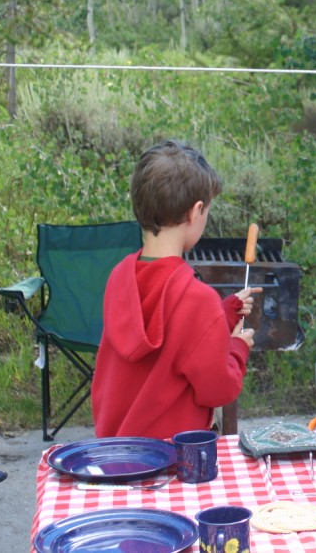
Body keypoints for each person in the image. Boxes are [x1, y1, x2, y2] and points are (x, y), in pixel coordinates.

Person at [92, 139, 260, 439]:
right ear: (196, 211)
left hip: (116, 452)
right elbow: (217, 390)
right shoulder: (197, 299)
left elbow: (167, 332)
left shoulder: (119, 276)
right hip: (171, 462)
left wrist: (224, 312)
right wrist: (237, 348)